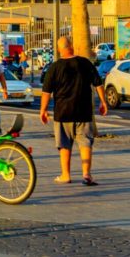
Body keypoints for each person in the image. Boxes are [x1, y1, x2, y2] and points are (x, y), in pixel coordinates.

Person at [40, 36, 108, 186]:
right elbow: (98, 83)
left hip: (63, 112)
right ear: (71, 45)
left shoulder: (54, 67)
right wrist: (103, 102)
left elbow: (46, 92)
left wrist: (43, 110)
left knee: (64, 144)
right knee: (85, 142)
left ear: (59, 49)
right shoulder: (85, 63)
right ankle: (86, 174)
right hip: (83, 111)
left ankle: (66, 175)